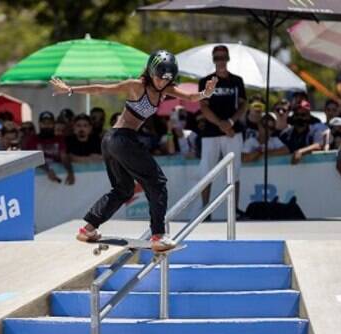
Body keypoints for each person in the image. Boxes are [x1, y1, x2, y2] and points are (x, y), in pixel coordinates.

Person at [50, 49, 217, 251]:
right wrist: (70, 90)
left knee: (123, 189)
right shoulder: (137, 85)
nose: (161, 83)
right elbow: (102, 89)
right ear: (150, 71)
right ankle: (158, 235)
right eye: (158, 77)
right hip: (121, 139)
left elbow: (191, 97)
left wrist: (206, 93)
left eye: (166, 79)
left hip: (112, 141)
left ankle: (88, 229)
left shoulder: (165, 89)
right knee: (157, 183)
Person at [198, 44, 246, 213]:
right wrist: (221, 125)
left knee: (234, 171)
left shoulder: (237, 81)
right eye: (217, 57)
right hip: (211, 133)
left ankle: (234, 210)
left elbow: (242, 105)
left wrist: (231, 123)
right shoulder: (205, 81)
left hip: (233, 132)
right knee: (206, 172)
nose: (220, 61)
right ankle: (205, 210)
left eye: (223, 57)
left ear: (228, 58)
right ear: (213, 60)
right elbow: (203, 107)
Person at [24, 111, 75, 185]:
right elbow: (33, 159)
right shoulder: (32, 140)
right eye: (44, 123)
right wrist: (47, 170)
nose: (47, 125)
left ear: (54, 124)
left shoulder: (60, 139)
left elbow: (64, 156)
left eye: (50, 123)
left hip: (59, 177)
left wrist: (70, 172)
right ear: (39, 124)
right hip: (38, 180)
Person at [279, 100, 324, 164]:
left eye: (303, 115)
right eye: (297, 114)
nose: (299, 117)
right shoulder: (285, 133)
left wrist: (300, 152)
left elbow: (318, 145)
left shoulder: (315, 131)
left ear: (309, 116)